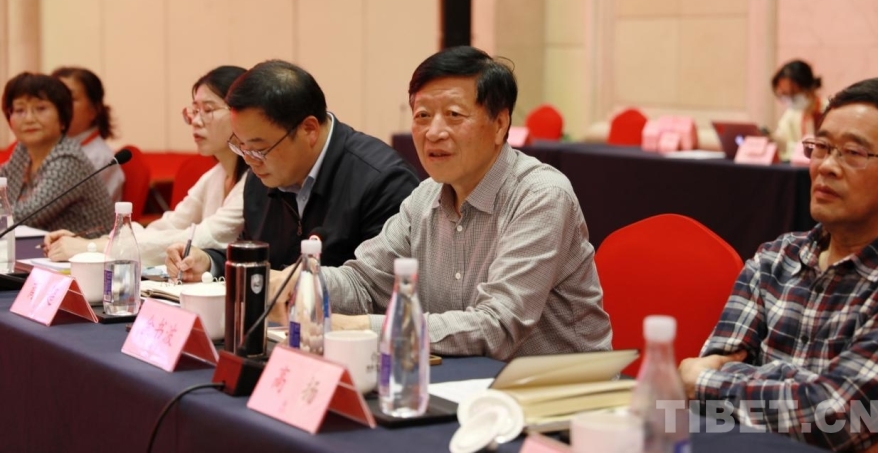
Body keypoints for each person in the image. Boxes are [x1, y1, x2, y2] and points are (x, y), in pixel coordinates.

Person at [317, 46, 612, 361]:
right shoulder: (423, 197)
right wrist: (300, 283)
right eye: (422, 116)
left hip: (561, 382)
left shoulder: (540, 196)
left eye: (454, 115)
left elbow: (497, 325)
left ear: (500, 125)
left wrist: (364, 327)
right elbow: (363, 283)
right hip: (463, 376)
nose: (434, 132)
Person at [678, 76, 878, 451]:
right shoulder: (775, 259)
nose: (826, 166)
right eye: (821, 147)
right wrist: (803, 390)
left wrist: (713, 382)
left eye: (853, 152)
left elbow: (836, 418)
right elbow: (696, 396)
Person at [165, 59, 420, 281]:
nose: (250, 161)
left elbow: (379, 288)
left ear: (309, 130)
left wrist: (291, 283)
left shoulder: (381, 181)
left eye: (259, 149)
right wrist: (210, 262)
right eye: (241, 146)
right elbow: (255, 256)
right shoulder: (259, 178)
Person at [42, 66, 249, 267]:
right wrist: (94, 241)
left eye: (208, 110)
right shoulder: (215, 175)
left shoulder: (253, 182)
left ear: (240, 114)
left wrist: (91, 248)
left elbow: (199, 239)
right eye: (194, 111)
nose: (195, 121)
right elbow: (168, 226)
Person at [0, 73, 113, 235]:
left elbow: (25, 217)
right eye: (19, 110)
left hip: (87, 247)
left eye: (41, 108)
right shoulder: (23, 149)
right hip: (39, 245)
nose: (29, 119)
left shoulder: (68, 160)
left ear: (63, 119)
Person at [50, 66, 125, 202]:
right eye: (55, 98)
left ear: (94, 110)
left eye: (70, 98)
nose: (60, 105)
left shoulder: (98, 159)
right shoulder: (49, 147)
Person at [770, 60, 827, 160]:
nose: (789, 99)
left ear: (807, 87)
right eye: (784, 94)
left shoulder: (828, 110)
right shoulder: (791, 114)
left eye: (792, 93)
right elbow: (781, 140)